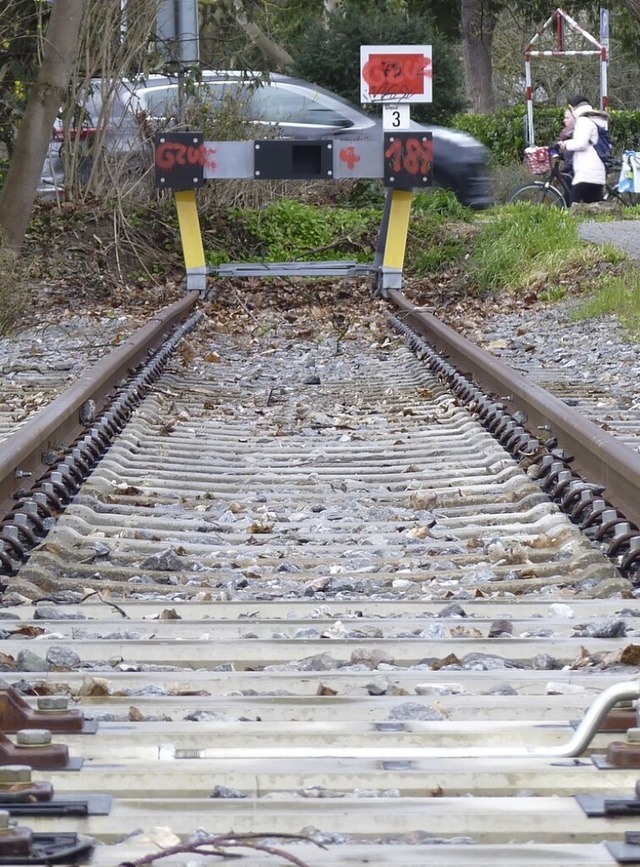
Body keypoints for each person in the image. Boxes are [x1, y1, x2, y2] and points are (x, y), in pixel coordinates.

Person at [557, 94, 609, 204]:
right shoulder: (593, 119)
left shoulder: (583, 121)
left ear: (574, 108)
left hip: (586, 173)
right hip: (596, 173)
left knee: (573, 207)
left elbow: (581, 144)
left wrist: (565, 144)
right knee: (594, 210)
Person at [558, 108, 575, 179]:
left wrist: (566, 169)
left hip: (575, 171)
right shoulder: (566, 133)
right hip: (570, 169)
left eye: (567, 118)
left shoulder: (576, 134)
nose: (564, 120)